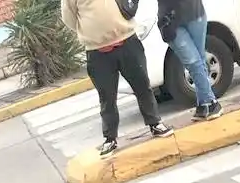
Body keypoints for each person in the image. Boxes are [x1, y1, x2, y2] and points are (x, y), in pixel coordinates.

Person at [61, 0, 172, 158]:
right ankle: (110, 138)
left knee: (142, 86)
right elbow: (69, 18)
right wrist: (91, 33)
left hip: (128, 42)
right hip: (97, 52)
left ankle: (155, 124)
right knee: (107, 97)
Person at [159, 0, 222, 121]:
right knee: (193, 62)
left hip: (195, 13)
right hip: (170, 22)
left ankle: (203, 104)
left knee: (199, 60)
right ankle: (211, 102)